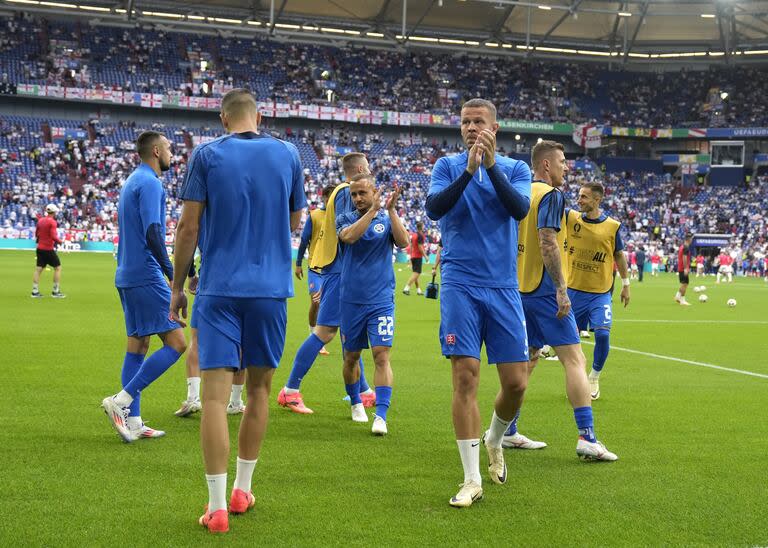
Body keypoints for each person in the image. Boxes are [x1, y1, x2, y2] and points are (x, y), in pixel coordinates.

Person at [170, 88, 306, 534]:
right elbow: (293, 222)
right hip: (270, 290)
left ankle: (216, 506)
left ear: (224, 120)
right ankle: (242, 489)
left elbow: (188, 227)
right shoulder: (288, 154)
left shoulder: (206, 156)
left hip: (218, 287)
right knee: (260, 393)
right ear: (259, 117)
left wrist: (177, 286)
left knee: (212, 397)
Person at [426, 98, 535, 508]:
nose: (472, 128)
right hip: (460, 283)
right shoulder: (447, 166)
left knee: (516, 383)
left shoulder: (515, 169)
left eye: (479, 122)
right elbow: (435, 208)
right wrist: (470, 170)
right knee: (466, 377)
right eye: (466, 122)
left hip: (503, 286)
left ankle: (495, 437)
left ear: (494, 127)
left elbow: (520, 208)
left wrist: (489, 166)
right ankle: (471, 478)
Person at [517, 139, 618, 462]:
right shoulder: (551, 195)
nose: (565, 168)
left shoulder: (521, 192)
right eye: (562, 162)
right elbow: (548, 242)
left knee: (529, 360)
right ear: (546, 165)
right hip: (545, 290)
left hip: (519, 287)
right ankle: (586, 436)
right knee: (574, 360)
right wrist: (562, 288)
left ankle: (504, 430)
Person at [101, 131, 187, 443]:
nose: (171, 153)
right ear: (155, 150)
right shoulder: (150, 182)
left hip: (127, 273)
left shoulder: (132, 181)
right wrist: (173, 275)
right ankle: (121, 402)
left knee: (138, 345)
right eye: (167, 148)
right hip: (146, 275)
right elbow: (153, 231)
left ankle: (133, 422)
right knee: (178, 343)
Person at [277, 152, 375, 415]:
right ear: (359, 168)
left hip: (341, 271)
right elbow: (348, 232)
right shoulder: (347, 192)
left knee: (348, 335)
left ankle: (363, 390)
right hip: (339, 272)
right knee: (325, 332)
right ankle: (290, 390)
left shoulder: (340, 192)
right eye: (367, 167)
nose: (370, 171)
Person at [337, 174, 409, 434]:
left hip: (381, 301)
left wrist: (390, 211)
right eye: (353, 194)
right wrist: (372, 212)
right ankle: (356, 402)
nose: (357, 198)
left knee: (381, 355)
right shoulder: (345, 218)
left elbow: (403, 243)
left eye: (362, 193)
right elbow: (350, 237)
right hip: (350, 301)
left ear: (374, 192)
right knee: (351, 357)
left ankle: (381, 416)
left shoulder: (386, 219)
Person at [566, 181, 631, 401]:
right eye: (579, 195)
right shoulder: (570, 218)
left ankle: (593, 377)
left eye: (584, 197)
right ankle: (576, 379)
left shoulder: (613, 226)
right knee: (567, 342)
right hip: (573, 291)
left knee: (602, 334)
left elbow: (619, 255)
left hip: (600, 292)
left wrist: (626, 284)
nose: (579, 200)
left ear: (597, 200)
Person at [175, 257, 247, 418]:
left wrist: (191, 274)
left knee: (197, 341)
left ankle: (193, 398)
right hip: (243, 283)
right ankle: (235, 401)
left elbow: (189, 236)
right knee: (241, 343)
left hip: (210, 282)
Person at [294, 184, 335, 356]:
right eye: (328, 196)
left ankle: (323, 338)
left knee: (330, 305)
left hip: (333, 269)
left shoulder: (340, 217)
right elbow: (304, 241)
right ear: (324, 198)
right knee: (316, 301)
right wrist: (298, 264)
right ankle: (314, 335)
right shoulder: (315, 215)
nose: (331, 200)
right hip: (315, 267)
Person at [31, 204, 65, 298]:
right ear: (54, 212)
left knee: (38, 270)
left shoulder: (40, 220)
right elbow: (54, 236)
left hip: (40, 248)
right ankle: (55, 291)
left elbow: (37, 233)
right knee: (58, 268)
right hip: (48, 249)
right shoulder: (53, 222)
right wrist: (60, 241)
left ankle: (34, 291)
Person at [402, 221, 428, 295]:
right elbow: (420, 247)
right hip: (417, 256)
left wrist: (410, 256)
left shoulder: (414, 235)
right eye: (423, 226)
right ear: (421, 227)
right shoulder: (420, 235)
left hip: (413, 255)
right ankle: (406, 288)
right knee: (417, 273)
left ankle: (418, 290)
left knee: (415, 273)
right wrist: (425, 256)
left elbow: (411, 246)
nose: (424, 227)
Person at [675, 235, 693, 305]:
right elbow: (684, 257)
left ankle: (677, 296)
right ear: (689, 240)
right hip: (683, 268)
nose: (692, 240)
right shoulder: (686, 247)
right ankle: (682, 300)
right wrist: (686, 268)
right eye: (691, 239)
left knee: (683, 283)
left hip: (680, 267)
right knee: (685, 284)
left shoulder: (682, 247)